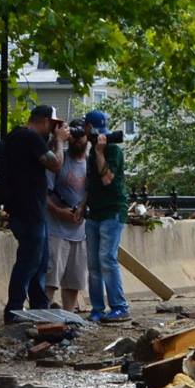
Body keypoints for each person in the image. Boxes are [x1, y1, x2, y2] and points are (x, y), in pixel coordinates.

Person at [2, 104, 62, 323]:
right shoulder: (30, 137)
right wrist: (61, 142)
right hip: (29, 210)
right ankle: (14, 308)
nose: (54, 129)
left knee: (41, 259)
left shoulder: (16, 136)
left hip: (28, 209)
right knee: (30, 260)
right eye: (53, 124)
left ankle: (39, 305)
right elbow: (55, 164)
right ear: (45, 121)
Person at [82, 110, 129, 323]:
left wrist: (100, 152)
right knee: (93, 263)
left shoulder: (111, 151)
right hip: (95, 212)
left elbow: (107, 179)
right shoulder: (92, 152)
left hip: (112, 211)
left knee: (107, 259)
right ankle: (97, 308)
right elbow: (91, 183)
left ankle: (119, 306)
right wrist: (82, 206)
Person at [45, 122, 92, 313]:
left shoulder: (90, 163)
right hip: (56, 229)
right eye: (73, 134)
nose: (77, 138)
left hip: (79, 231)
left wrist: (82, 208)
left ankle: (68, 316)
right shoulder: (59, 160)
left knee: (74, 280)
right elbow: (43, 192)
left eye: (81, 135)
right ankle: (43, 313)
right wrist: (57, 210)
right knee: (50, 278)